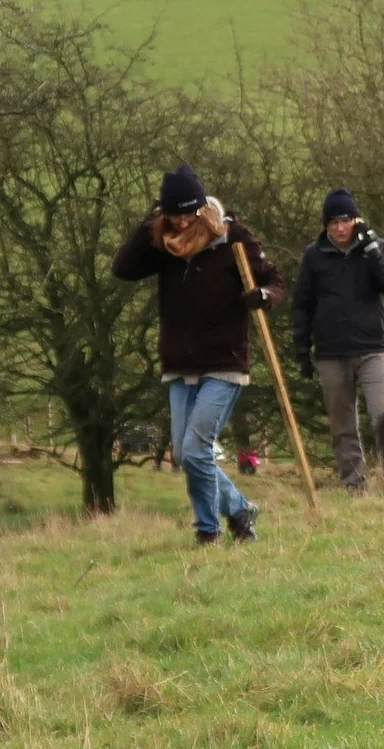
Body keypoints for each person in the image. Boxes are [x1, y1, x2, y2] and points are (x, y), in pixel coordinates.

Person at [111, 164, 284, 546]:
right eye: (175, 213)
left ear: (202, 207)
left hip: (224, 361)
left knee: (195, 448)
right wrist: (148, 223)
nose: (183, 221)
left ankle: (208, 532)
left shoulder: (232, 236)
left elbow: (274, 280)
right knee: (186, 454)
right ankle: (239, 509)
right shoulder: (162, 245)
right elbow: (122, 269)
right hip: (179, 363)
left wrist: (264, 296)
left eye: (189, 212)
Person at [291, 189, 384, 493]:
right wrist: (302, 348)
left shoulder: (377, 247)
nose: (340, 228)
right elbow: (302, 303)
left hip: (372, 349)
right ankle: (355, 486)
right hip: (331, 353)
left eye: (345, 220)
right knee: (342, 425)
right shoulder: (313, 256)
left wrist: (373, 253)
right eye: (333, 222)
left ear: (356, 220)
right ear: (326, 225)